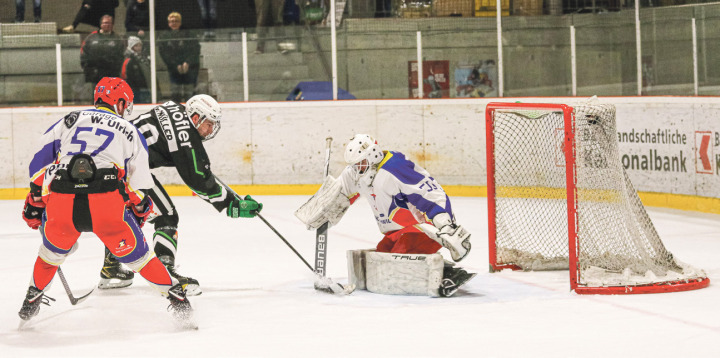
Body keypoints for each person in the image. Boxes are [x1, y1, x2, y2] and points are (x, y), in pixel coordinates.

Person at [19, 77, 192, 324]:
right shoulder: (129, 130)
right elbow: (140, 187)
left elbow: (38, 164)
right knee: (142, 260)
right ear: (120, 102)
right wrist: (139, 210)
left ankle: (31, 299)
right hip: (107, 206)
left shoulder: (70, 119)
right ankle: (178, 300)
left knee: (49, 256)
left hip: (63, 203)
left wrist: (36, 200)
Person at [97, 94, 263, 296]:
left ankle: (111, 268)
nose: (211, 130)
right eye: (209, 124)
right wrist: (232, 205)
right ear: (195, 118)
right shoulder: (185, 136)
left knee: (131, 212)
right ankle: (166, 274)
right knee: (166, 215)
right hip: (127, 169)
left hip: (111, 164)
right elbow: (199, 181)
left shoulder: (174, 107)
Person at [296, 134, 474, 297]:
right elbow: (339, 191)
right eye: (355, 165)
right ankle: (432, 266)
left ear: (373, 155)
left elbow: (430, 194)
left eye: (360, 164)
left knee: (398, 260)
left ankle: (447, 274)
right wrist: (317, 210)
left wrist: (445, 224)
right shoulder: (359, 171)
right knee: (380, 258)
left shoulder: (395, 168)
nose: (357, 169)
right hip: (398, 233)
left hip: (424, 230)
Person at [158, 12, 201, 103]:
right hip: (174, 69)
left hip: (189, 69)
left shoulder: (189, 34)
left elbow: (195, 50)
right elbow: (165, 54)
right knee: (175, 92)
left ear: (180, 23)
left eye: (176, 21)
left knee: (189, 93)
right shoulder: (164, 36)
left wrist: (187, 62)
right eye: (172, 21)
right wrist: (175, 65)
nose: (174, 23)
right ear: (169, 23)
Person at [80, 15, 125, 91]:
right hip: (95, 75)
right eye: (105, 23)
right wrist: (87, 69)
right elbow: (84, 53)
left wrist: (116, 69)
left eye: (109, 23)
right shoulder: (91, 37)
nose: (107, 25)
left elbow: (121, 56)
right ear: (101, 24)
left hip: (112, 75)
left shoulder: (117, 39)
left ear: (112, 25)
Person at [121, 36, 151, 104]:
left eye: (140, 45)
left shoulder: (144, 58)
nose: (139, 47)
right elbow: (124, 74)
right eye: (136, 46)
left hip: (144, 86)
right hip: (134, 88)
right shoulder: (128, 59)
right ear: (131, 47)